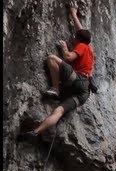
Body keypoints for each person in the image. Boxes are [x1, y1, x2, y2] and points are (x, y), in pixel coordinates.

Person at [18, 5, 94, 141]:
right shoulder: (89, 48)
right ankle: (36, 132)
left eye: (75, 38)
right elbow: (81, 31)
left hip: (78, 80)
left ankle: (55, 88)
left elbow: (69, 58)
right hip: (83, 93)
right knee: (58, 111)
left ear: (77, 39)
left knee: (52, 58)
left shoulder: (81, 46)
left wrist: (65, 48)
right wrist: (73, 14)